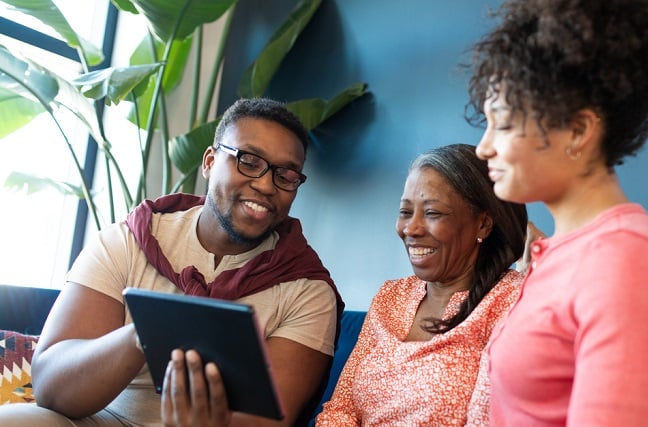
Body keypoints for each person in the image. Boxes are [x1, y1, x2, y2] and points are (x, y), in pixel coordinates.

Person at [0, 97, 344, 427]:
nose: (267, 184)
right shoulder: (133, 237)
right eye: (249, 161)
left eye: (286, 175)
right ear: (209, 162)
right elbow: (51, 385)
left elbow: (266, 422)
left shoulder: (307, 291)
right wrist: (147, 332)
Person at [466, 0, 648, 425]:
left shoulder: (625, 260)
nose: (484, 147)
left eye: (504, 123)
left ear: (578, 130)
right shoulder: (560, 255)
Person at [315, 144, 528, 426]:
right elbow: (340, 409)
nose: (411, 229)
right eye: (405, 212)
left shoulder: (513, 301)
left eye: (432, 213)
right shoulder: (390, 296)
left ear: (483, 225)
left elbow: (488, 419)